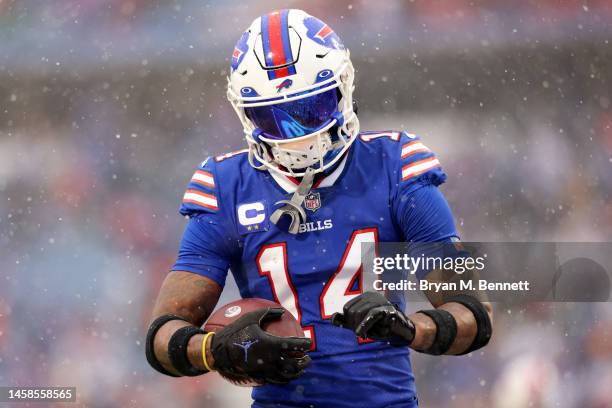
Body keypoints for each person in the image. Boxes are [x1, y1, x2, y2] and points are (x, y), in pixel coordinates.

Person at [146, 9, 493, 408]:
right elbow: (161, 336)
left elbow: (473, 313)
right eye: (274, 118)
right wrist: (215, 349)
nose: (297, 134)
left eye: (310, 108)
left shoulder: (396, 166)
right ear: (247, 114)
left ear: (342, 89)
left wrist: (410, 328)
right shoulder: (226, 186)